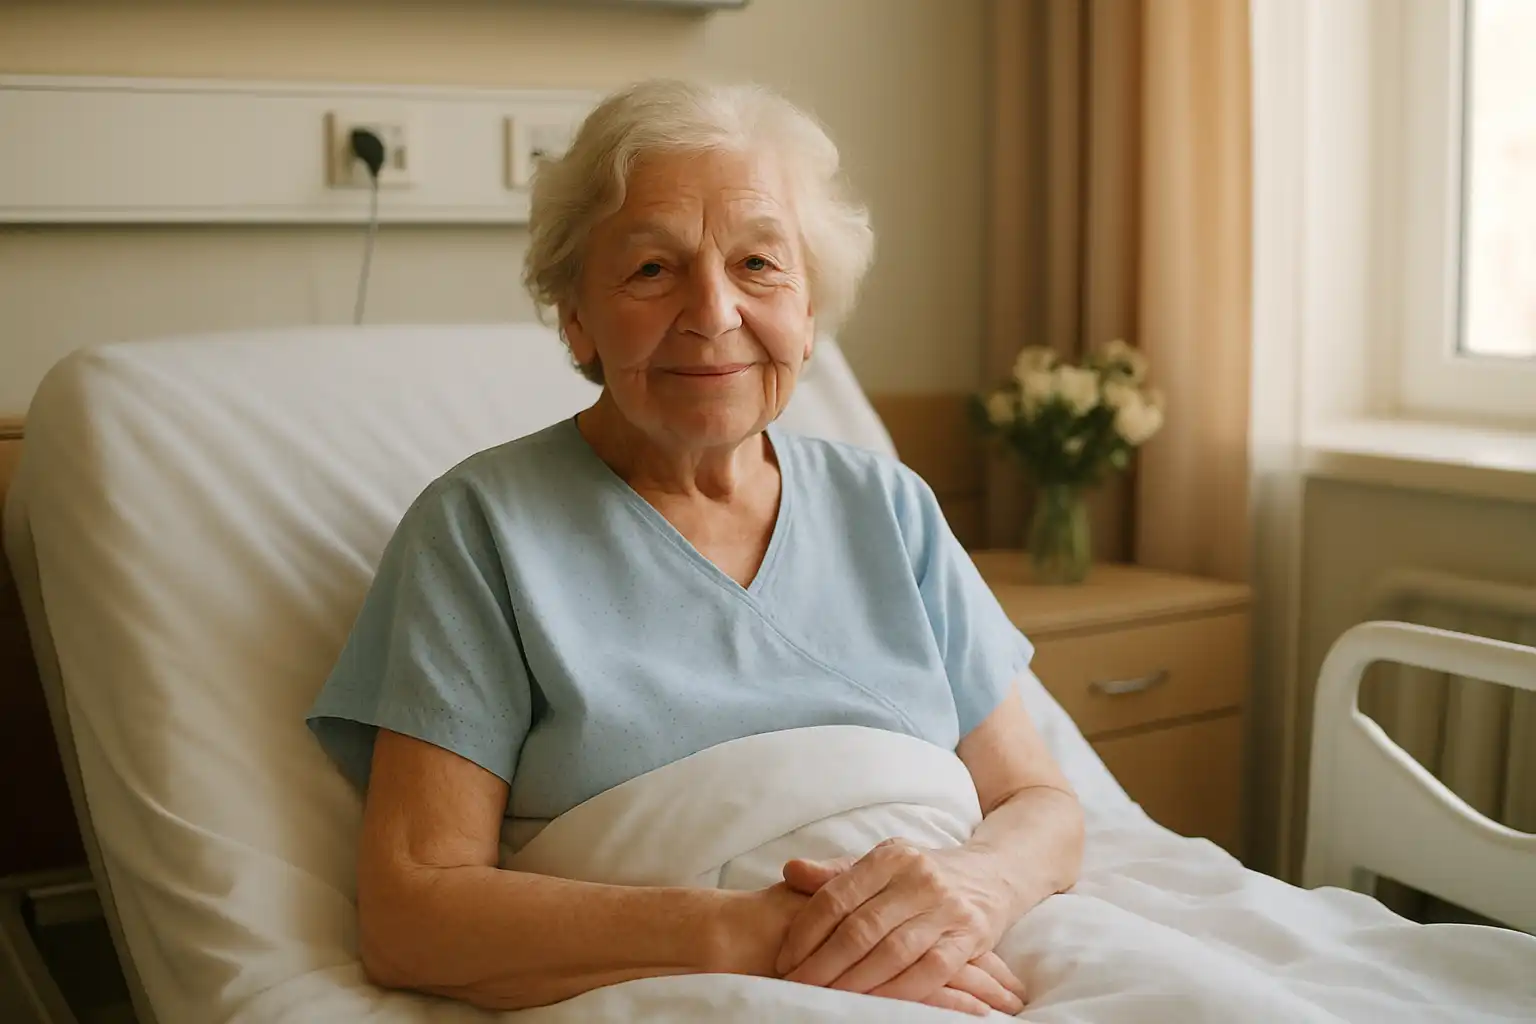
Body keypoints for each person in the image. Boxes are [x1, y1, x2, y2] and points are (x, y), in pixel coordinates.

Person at [307, 78, 1084, 1018]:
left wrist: (978, 889)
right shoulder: (480, 532)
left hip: (974, 957)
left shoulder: (888, 506)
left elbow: (1041, 805)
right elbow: (414, 914)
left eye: (758, 264)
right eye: (651, 270)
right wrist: (762, 934)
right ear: (577, 317)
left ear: (808, 308)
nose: (713, 313)